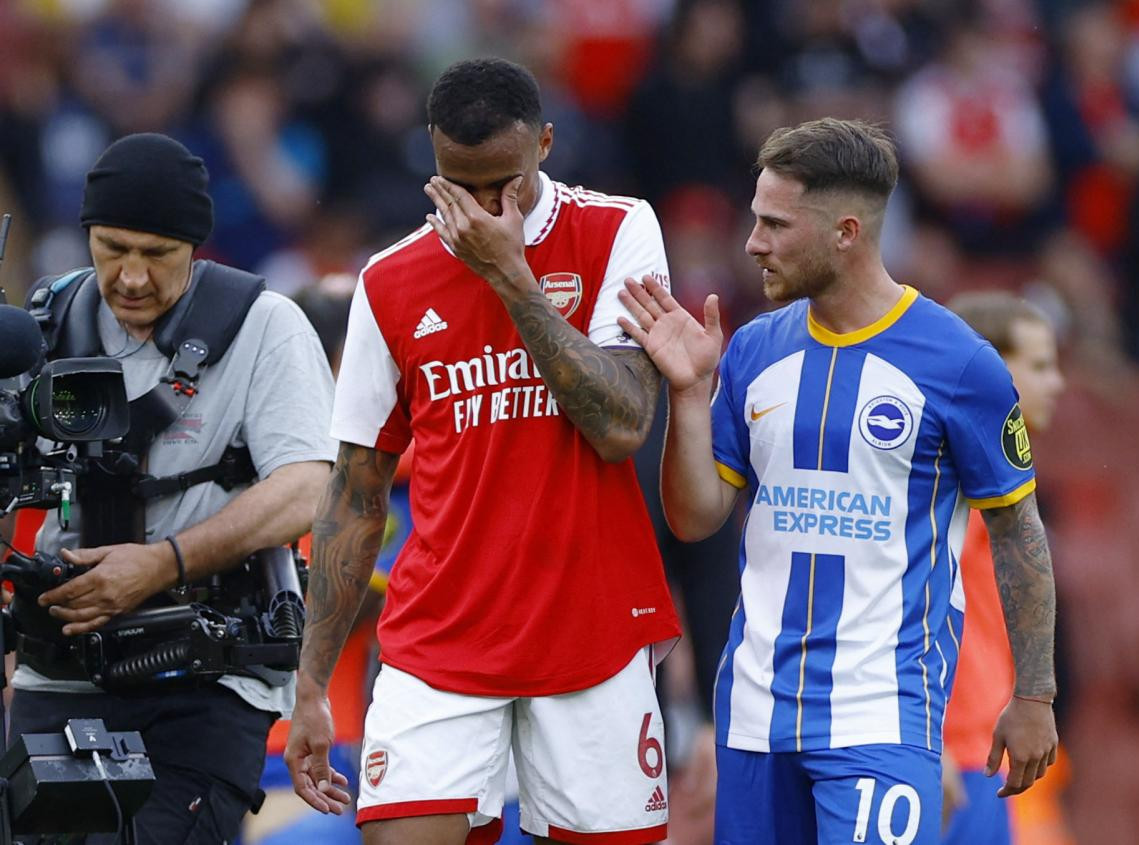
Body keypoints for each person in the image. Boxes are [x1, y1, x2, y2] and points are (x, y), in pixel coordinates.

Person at [616, 118, 1059, 844]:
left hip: (880, 713)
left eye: (774, 223)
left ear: (846, 232)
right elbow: (694, 518)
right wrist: (690, 394)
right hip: (754, 714)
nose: (752, 241)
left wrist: (1035, 692)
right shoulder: (755, 350)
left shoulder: (959, 364)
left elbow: (1019, 531)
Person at [283, 58, 680, 844]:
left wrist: (511, 276)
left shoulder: (618, 229)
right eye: (460, 186)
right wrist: (312, 682)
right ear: (431, 154)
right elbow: (356, 492)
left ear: (547, 143)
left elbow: (624, 423)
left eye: (507, 181)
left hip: (590, 629)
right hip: (442, 635)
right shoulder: (389, 279)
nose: (486, 207)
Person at [4, 133, 336, 843]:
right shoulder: (42, 322)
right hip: (58, 666)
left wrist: (164, 560)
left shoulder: (266, 326)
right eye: (111, 246)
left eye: (156, 254)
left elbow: (309, 485)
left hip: (205, 675)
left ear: (197, 245)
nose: (129, 276)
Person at [943, 292, 1067, 845]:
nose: (1057, 383)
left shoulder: (997, 487)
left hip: (983, 751)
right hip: (950, 758)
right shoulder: (958, 493)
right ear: (991, 370)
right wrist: (932, 741)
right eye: (1039, 366)